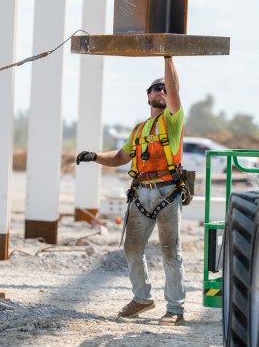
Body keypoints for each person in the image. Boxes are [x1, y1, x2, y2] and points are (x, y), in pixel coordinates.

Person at [76, 56, 186, 326]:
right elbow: (121, 157)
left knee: (170, 251)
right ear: (148, 96)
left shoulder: (172, 121)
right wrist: (94, 156)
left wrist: (168, 58)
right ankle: (142, 298)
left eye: (164, 88)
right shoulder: (139, 130)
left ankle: (175, 309)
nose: (161, 91)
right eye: (155, 88)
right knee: (132, 248)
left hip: (167, 192)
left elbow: (174, 88)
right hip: (141, 193)